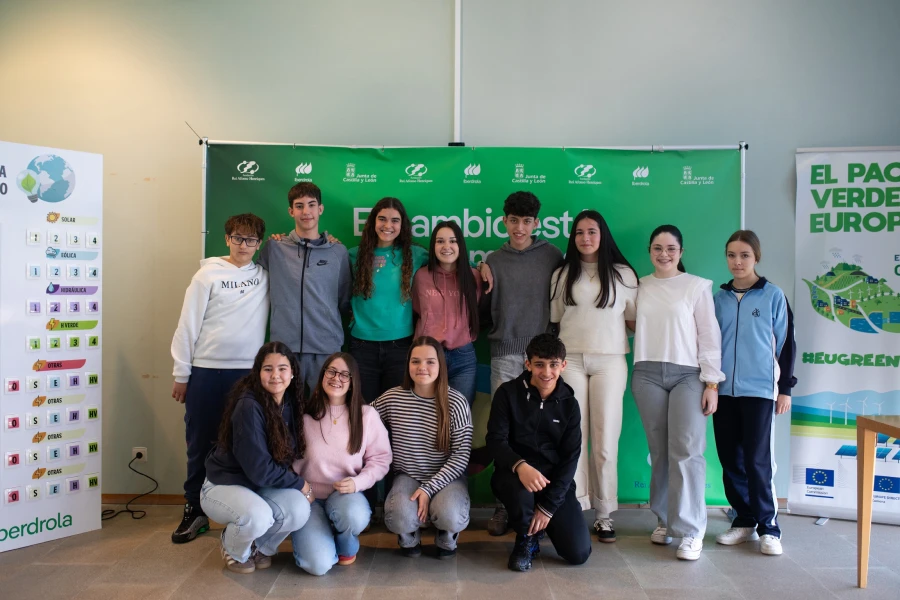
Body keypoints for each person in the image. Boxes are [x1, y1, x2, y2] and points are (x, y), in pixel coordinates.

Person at [169, 213, 269, 544]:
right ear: (227, 238)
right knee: (200, 442)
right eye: (238, 238)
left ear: (259, 243)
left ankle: (238, 512)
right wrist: (181, 373)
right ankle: (194, 510)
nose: (244, 245)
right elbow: (187, 326)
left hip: (247, 374)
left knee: (244, 444)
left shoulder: (265, 276)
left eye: (251, 240)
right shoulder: (206, 275)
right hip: (206, 372)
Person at [631, 224, 724, 561]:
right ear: (650, 250)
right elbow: (628, 321)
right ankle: (665, 520)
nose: (664, 254)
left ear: (681, 252)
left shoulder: (696, 286)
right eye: (657, 248)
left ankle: (691, 530)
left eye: (671, 248)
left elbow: (709, 335)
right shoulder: (638, 285)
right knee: (660, 452)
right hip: (647, 373)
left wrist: (711, 382)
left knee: (687, 451)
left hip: (689, 376)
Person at [476, 191, 563, 535]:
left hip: (542, 358)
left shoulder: (553, 256)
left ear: (536, 223)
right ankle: (504, 505)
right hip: (504, 355)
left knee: (541, 430)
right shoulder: (494, 260)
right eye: (514, 220)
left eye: (527, 221)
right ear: (504, 221)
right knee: (504, 432)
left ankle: (541, 503)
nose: (520, 227)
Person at [549, 209, 638, 543]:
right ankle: (576, 501)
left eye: (592, 232)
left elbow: (633, 321)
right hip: (569, 360)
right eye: (579, 232)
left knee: (605, 440)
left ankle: (604, 513)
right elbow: (557, 318)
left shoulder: (624, 274)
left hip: (610, 361)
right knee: (574, 438)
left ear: (603, 235)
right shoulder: (561, 274)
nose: (585, 238)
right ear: (572, 238)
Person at [713, 230, 796, 557]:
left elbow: (787, 344)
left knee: (757, 461)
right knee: (729, 459)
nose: (737, 261)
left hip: (760, 392)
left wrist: (785, 388)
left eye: (744, 255)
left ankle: (769, 527)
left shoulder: (772, 295)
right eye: (732, 255)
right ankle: (743, 520)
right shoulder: (718, 298)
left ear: (756, 258)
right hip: (723, 392)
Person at [201, 342, 313, 574]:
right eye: (268, 369)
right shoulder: (248, 407)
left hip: (257, 486)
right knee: (258, 517)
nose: (275, 376)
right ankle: (232, 547)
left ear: (292, 373)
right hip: (224, 485)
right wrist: (300, 483)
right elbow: (260, 470)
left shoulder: (289, 403)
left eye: (282, 368)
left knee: (298, 509)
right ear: (258, 372)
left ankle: (258, 547)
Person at [486, 333, 591, 572]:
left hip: (552, 480)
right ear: (528, 364)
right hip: (513, 475)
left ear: (563, 366)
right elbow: (495, 441)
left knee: (578, 553)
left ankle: (541, 522)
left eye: (553, 365)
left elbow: (570, 458)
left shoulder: (570, 404)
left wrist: (548, 507)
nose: (546, 372)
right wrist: (520, 466)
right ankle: (526, 538)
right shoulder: (507, 393)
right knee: (522, 492)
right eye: (539, 364)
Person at [371, 336, 473, 559]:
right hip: (408, 475)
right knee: (399, 516)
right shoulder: (393, 398)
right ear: (408, 364)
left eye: (430, 362)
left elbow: (461, 455)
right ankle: (408, 537)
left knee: (449, 513)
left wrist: (428, 488)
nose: (422, 368)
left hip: (448, 478)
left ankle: (447, 536)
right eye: (415, 361)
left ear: (441, 365)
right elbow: (364, 418)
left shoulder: (456, 402)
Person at [291, 353, 392, 575]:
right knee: (317, 566)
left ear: (353, 381)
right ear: (322, 375)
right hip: (308, 500)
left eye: (345, 374)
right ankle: (322, 535)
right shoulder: (303, 415)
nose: (337, 378)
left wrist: (359, 482)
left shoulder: (366, 416)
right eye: (332, 371)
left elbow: (381, 459)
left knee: (353, 515)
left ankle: (345, 541)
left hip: (346, 497)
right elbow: (287, 460)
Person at [258, 182, 351, 392]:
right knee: (285, 413)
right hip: (284, 349)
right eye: (299, 206)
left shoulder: (338, 252)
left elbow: (344, 299)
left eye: (311, 205)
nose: (306, 211)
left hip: (326, 347)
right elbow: (253, 281)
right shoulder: (274, 247)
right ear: (291, 211)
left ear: (321, 209)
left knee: (324, 412)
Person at [348, 197, 429, 404]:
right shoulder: (352, 255)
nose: (387, 225)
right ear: (373, 222)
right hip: (362, 347)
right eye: (382, 219)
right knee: (365, 413)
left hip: (400, 347)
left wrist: (481, 265)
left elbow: (451, 259)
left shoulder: (415, 254)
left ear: (402, 225)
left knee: (396, 414)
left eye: (395, 220)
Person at [412, 220, 483, 408]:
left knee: (460, 415)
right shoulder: (421, 276)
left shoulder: (474, 276)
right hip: (427, 355)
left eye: (452, 241)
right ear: (433, 245)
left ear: (460, 245)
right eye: (440, 241)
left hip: (463, 357)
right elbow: (418, 310)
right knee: (426, 415)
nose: (446, 247)